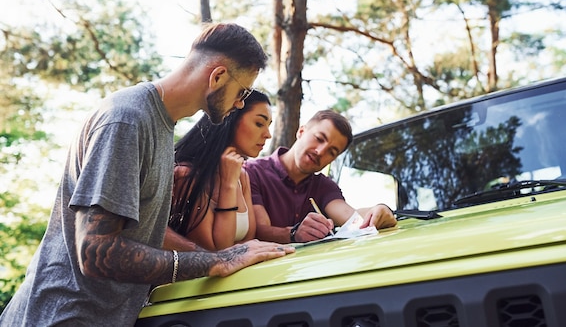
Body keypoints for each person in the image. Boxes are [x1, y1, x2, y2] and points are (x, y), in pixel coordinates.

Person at [0, 22, 294, 327]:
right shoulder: (127, 120)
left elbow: (144, 235)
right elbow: (95, 250)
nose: (239, 103)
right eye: (242, 91)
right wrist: (215, 262)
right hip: (63, 317)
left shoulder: (161, 126)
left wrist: (224, 254)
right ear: (217, 76)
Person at [247, 109, 397, 244]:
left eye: (332, 152)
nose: (320, 151)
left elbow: (350, 217)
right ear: (301, 132)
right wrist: (294, 233)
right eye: (319, 138)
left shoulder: (324, 187)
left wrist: (378, 211)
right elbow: (258, 231)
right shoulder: (252, 172)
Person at [169, 90, 272, 251]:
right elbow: (216, 251)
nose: (268, 135)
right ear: (230, 119)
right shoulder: (185, 176)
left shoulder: (242, 176)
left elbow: (248, 242)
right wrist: (228, 185)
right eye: (259, 123)